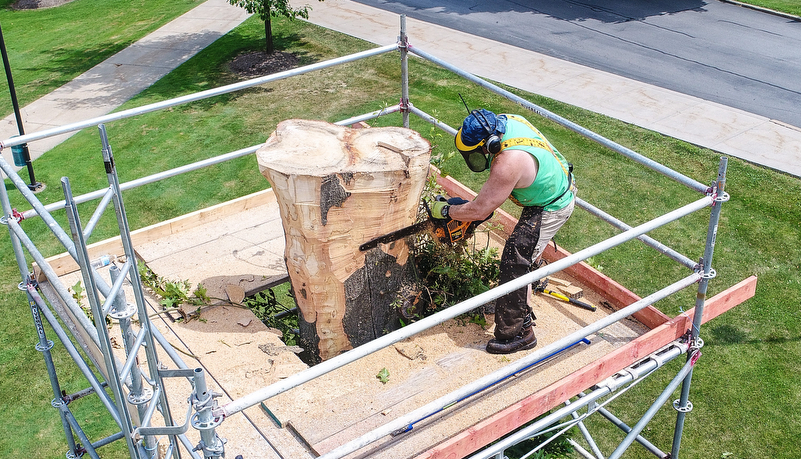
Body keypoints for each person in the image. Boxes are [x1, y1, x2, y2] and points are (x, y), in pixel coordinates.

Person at [431, 109, 576, 354]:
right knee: (525, 250)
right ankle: (528, 278)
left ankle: (519, 332)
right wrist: (471, 210)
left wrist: (446, 212)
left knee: (515, 261)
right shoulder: (507, 121)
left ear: (491, 144)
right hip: (550, 185)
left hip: (552, 205)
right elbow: (485, 204)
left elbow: (480, 209)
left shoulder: (508, 162)